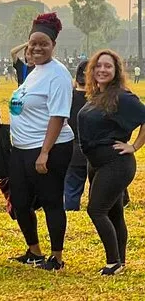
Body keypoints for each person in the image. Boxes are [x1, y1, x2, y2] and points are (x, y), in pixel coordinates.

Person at [8, 13, 74, 271]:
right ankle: (34, 251)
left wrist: (45, 152)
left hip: (48, 148)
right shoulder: (35, 71)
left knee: (51, 201)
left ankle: (56, 257)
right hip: (21, 148)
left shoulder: (58, 74)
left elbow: (58, 116)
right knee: (20, 201)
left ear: (53, 45)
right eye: (33, 43)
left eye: (43, 44)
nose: (37, 48)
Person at [78, 49, 145, 276]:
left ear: (116, 71)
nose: (102, 70)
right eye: (98, 66)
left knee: (96, 210)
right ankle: (120, 261)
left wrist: (134, 146)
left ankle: (113, 262)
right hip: (96, 163)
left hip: (115, 163)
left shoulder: (122, 97)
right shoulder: (97, 95)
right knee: (114, 213)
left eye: (108, 66)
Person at [63, 61, 88, 211]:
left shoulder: (68, 97)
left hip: (73, 150)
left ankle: (71, 216)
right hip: (98, 151)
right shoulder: (101, 98)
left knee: (72, 189)